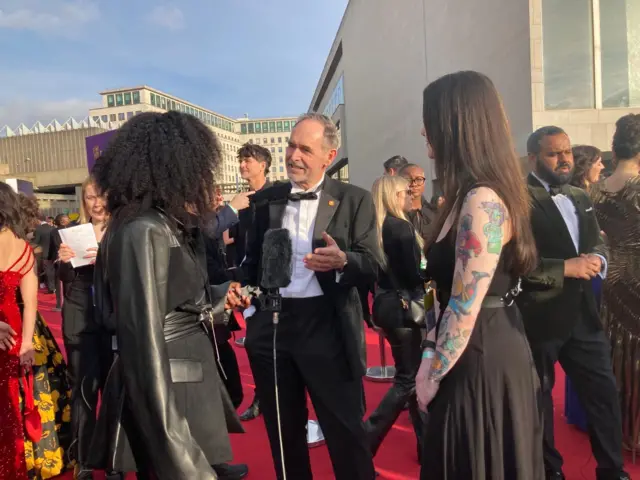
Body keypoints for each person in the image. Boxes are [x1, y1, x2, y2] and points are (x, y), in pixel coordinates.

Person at [88, 111, 245, 479]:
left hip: (186, 386)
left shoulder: (160, 223)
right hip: (169, 395)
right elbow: (141, 344)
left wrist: (219, 299)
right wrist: (179, 453)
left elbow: (174, 300)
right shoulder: (143, 230)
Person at [415, 71, 544, 479]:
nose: (424, 130)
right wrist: (428, 353)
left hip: (481, 356)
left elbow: (465, 301)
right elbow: (443, 292)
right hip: (469, 349)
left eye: (430, 120)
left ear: (456, 124)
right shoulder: (463, 194)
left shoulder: (482, 200)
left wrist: (433, 373)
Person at [242, 113, 379, 480]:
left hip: (327, 325)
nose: (293, 155)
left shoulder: (355, 199)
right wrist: (243, 292)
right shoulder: (265, 200)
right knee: (284, 436)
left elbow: (374, 264)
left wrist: (344, 260)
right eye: (290, 145)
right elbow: (250, 262)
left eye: (305, 149)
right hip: (272, 326)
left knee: (345, 432)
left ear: (328, 156)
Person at [520, 125, 628, 480]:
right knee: (540, 401)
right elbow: (515, 264)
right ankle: (551, 472)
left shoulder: (581, 196)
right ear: (534, 157)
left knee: (604, 395)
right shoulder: (518, 198)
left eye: (567, 152)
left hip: (584, 316)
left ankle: (612, 471)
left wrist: (599, 259)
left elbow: (597, 240)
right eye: (554, 153)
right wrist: (566, 268)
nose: (564, 159)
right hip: (540, 318)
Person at [54, 177, 112, 480]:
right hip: (80, 318)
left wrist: (107, 258)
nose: (97, 203)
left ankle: (115, 456)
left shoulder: (122, 231)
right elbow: (64, 278)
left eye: (101, 196)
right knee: (84, 391)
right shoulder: (73, 233)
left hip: (115, 319)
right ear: (84, 201)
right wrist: (63, 262)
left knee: (114, 390)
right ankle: (84, 459)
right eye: (90, 197)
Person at [366, 174, 426, 460]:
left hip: (386, 305)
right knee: (407, 379)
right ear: (394, 195)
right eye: (405, 191)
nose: (410, 194)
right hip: (404, 309)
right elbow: (414, 275)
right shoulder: (400, 228)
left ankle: (426, 445)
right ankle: (367, 437)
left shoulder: (374, 229)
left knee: (411, 376)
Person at [591, 114, 640, 457]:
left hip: (613, 276)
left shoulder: (599, 188)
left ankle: (625, 430)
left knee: (619, 350)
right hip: (637, 272)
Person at [226, 142, 273, 421]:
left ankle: (278, 396)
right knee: (254, 342)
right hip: (248, 281)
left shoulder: (276, 194)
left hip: (276, 282)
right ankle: (261, 397)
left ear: (263, 164)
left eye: (248, 160)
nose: (243, 164)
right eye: (241, 160)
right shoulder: (240, 200)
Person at [398, 163, 436, 242]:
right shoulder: (396, 214)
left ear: (424, 182)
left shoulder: (434, 212)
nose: (414, 184)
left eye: (419, 179)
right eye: (408, 179)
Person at [33, 215, 55, 293]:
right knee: (52, 270)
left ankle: (51, 288)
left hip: (43, 252)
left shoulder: (39, 229)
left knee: (46, 270)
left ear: (38, 220)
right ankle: (53, 286)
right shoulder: (52, 228)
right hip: (53, 252)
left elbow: (36, 242)